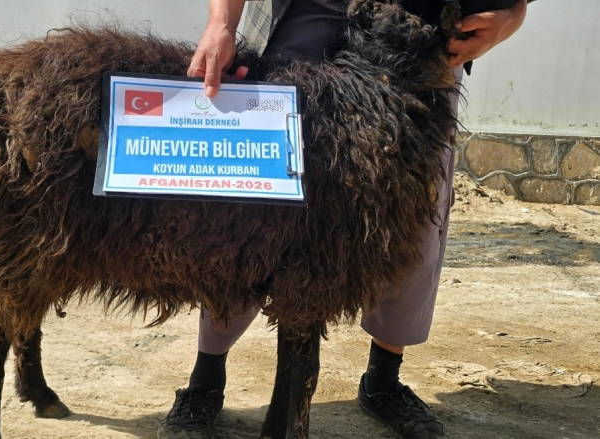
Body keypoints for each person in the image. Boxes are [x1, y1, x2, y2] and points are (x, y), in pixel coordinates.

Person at [157, 1, 529, 438]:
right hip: (306, 18)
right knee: (257, 213)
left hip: (418, 36)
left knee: (408, 220)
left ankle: (383, 382)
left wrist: (511, 16)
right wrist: (221, 23)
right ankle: (205, 382)